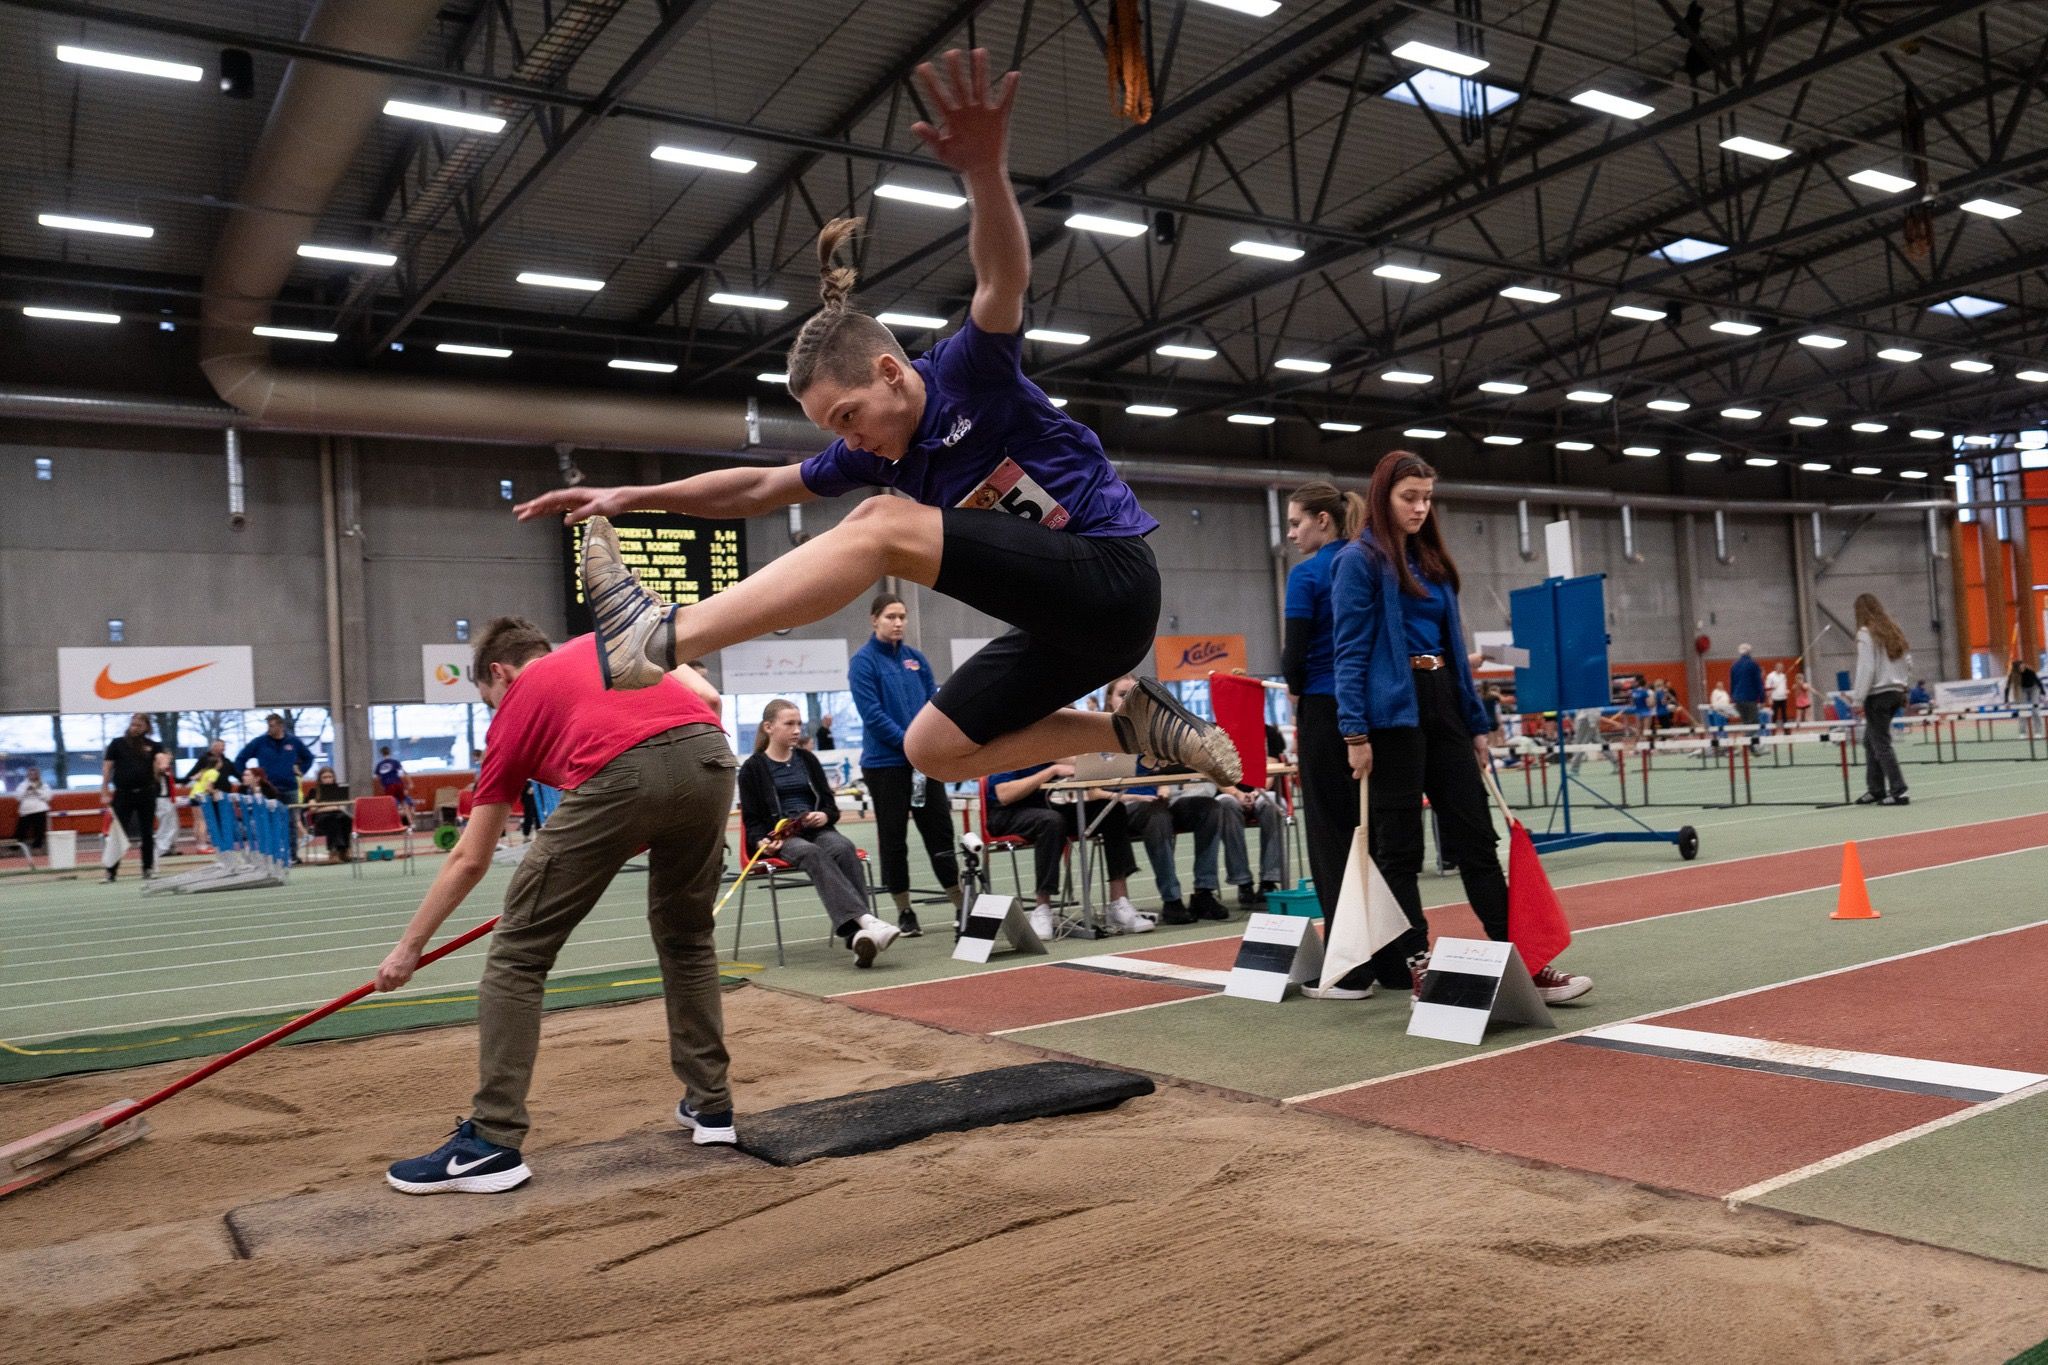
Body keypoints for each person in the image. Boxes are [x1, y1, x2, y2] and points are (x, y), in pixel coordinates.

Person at [516, 49, 1238, 796]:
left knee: (883, 521)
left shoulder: (969, 371)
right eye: (834, 428)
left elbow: (1002, 278)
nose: (848, 439)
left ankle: (664, 635)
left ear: (892, 373)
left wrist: (984, 171)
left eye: (849, 415)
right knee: (933, 745)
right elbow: (759, 488)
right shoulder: (877, 454)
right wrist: (628, 498)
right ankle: (1141, 730)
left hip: (1114, 579)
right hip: (1066, 635)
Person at [378, 617, 736, 1194]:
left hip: (619, 773)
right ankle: (711, 1108)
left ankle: (490, 1143)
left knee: (518, 955)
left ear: (500, 673)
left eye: (486, 698)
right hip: (711, 755)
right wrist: (654, 803)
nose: (495, 708)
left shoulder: (518, 703)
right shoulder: (603, 645)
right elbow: (710, 696)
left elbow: (470, 857)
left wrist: (409, 947)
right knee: (688, 937)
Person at [1333, 451, 1592, 1004]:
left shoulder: (1433, 563)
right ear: (1384, 496)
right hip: (1391, 717)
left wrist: (1475, 724)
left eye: (1427, 497)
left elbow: (1453, 648)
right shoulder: (1359, 562)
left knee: (1477, 838)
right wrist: (1354, 734)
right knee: (1398, 850)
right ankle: (1418, 964)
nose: (1421, 508)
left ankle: (1521, 962)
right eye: (1410, 497)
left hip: (1445, 703)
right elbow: (1349, 653)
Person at [1279, 480, 1369, 977]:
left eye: (1295, 523)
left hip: (1322, 707)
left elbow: (1294, 654)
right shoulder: (1366, 564)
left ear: (1322, 520)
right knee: (1372, 833)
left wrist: (1295, 686)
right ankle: (1395, 958)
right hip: (1368, 713)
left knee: (1330, 838)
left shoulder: (1308, 574)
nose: (1290, 534)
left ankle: (1349, 963)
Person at [738, 699, 902, 967]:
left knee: (844, 848)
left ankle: (859, 937)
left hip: (817, 828)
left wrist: (824, 815)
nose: (796, 730)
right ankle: (864, 923)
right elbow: (752, 819)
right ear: (768, 727)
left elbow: (829, 805)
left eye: (798, 724)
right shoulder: (753, 769)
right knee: (812, 854)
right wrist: (761, 840)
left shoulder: (807, 760)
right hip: (782, 838)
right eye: (789, 724)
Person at [848, 592, 963, 938]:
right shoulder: (863, 663)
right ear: (874, 620)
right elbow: (872, 715)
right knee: (893, 839)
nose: (898, 623)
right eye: (890, 617)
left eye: (902, 617)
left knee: (940, 832)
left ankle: (962, 905)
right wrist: (911, 744)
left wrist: (929, 745)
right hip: (885, 766)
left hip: (924, 764)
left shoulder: (917, 659)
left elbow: (935, 703)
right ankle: (905, 912)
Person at [985, 761, 1149, 940]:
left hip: (1043, 809)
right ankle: (1042, 909)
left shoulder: (1047, 747)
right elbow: (1004, 795)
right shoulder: (1007, 751)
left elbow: (1078, 763)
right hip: (1006, 814)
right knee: (1051, 822)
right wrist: (1052, 771)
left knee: (1112, 810)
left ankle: (1119, 903)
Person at [1850, 594, 1913, 806]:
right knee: (1871, 741)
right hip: (1896, 692)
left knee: (1881, 743)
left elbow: (1866, 667)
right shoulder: (1893, 630)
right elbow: (1908, 661)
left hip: (1878, 695)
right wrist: (1903, 686)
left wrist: (1857, 699)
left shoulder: (1865, 633)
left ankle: (1899, 790)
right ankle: (1876, 789)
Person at [100, 713, 162, 883]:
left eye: (139, 725)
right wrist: (104, 790)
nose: (135, 727)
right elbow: (107, 767)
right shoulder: (117, 743)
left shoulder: (154, 746)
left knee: (147, 832)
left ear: (147, 727)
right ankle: (111, 871)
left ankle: (148, 868)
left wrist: (161, 767)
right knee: (118, 831)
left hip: (146, 793)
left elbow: (159, 764)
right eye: (133, 724)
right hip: (123, 793)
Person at [304, 765, 355, 861]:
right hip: (320, 821)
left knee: (346, 818)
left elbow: (341, 807)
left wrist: (325, 807)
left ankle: (344, 850)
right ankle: (333, 851)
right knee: (332, 819)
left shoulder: (338, 790)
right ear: (320, 779)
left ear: (333, 778)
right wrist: (331, 807)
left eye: (330, 777)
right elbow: (312, 808)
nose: (328, 780)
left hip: (337, 816)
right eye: (325, 777)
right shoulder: (313, 791)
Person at [1729, 645, 1764, 739]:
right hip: (1749, 698)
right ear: (1750, 652)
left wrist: (1732, 698)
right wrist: (1762, 699)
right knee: (1754, 723)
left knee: (1746, 723)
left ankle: (1747, 747)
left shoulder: (1734, 666)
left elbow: (1732, 683)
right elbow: (1758, 682)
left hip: (1738, 699)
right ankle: (1747, 745)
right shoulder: (1753, 664)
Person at [152, 750, 180, 858]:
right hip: (160, 800)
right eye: (168, 757)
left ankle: (169, 846)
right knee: (165, 824)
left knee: (173, 824)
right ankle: (161, 848)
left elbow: (174, 781)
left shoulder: (167, 771)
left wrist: (190, 778)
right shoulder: (156, 771)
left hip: (168, 799)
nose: (169, 759)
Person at [16, 767, 50, 853]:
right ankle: (15, 848)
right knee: (21, 830)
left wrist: (37, 791)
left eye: (34, 774)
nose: (32, 776)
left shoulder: (43, 785)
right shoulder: (22, 785)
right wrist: (26, 790)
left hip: (40, 810)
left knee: (39, 830)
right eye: (30, 774)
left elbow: (48, 797)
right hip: (26, 811)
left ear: (38, 775)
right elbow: (18, 797)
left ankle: (37, 847)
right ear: (28, 775)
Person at [374, 745, 415, 811]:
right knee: (403, 803)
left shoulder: (379, 765)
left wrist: (381, 786)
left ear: (381, 754)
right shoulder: (395, 762)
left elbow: (377, 778)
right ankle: (410, 820)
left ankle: (394, 818)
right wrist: (410, 783)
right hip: (398, 784)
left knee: (390, 804)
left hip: (388, 786)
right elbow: (403, 774)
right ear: (389, 753)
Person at [1766, 662, 1790, 726]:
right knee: (1774, 716)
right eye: (1780, 668)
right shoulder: (1770, 676)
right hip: (1774, 699)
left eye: (1782, 668)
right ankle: (1773, 732)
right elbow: (1767, 687)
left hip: (1783, 698)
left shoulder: (1783, 676)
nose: (1781, 669)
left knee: (1784, 715)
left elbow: (1784, 686)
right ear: (1776, 668)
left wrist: (1786, 691)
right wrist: (1769, 699)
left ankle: (1786, 732)